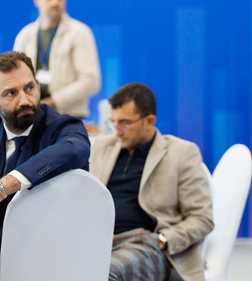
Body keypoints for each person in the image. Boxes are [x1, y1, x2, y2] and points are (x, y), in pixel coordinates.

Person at [89, 83, 213, 281]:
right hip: (99, 241)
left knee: (105, 272)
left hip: (147, 245)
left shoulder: (181, 153)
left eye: (124, 123)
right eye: (113, 123)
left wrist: (163, 239)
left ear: (149, 121)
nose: (117, 131)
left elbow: (202, 218)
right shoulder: (102, 147)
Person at [0, 51, 90, 279]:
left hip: (48, 253)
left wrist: (1, 188)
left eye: (29, 88)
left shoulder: (63, 128)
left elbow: (75, 149)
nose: (25, 100)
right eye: (11, 93)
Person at [13, 0, 101, 118]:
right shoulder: (25, 35)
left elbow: (90, 82)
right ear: (36, 0)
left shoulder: (79, 33)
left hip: (69, 116)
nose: (55, 2)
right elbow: (15, 78)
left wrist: (52, 102)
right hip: (31, 116)